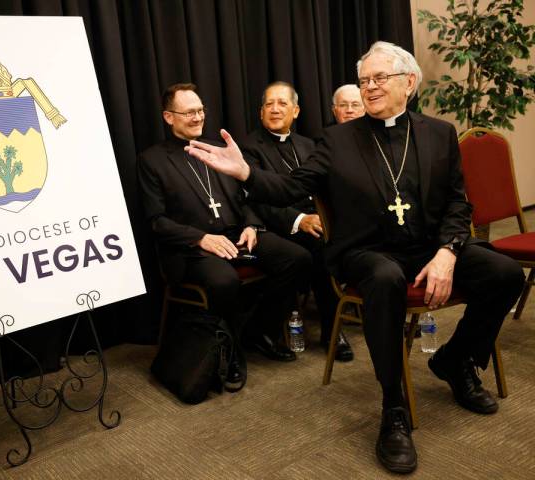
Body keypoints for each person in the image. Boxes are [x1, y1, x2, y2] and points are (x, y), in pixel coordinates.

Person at [185, 43, 524, 473]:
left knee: (505, 272)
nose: (370, 87)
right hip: (366, 252)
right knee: (385, 279)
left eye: (380, 78)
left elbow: (459, 205)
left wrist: (447, 251)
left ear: (409, 83)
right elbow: (292, 188)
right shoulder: (337, 139)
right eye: (365, 80)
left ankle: (455, 360)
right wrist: (246, 173)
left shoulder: (439, 133)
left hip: (427, 246)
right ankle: (393, 407)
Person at [138, 83, 312, 388]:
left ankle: (260, 330)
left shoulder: (218, 150)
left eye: (200, 110)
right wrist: (199, 238)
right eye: (188, 112)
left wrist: (251, 225)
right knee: (224, 280)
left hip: (236, 234)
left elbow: (245, 198)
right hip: (193, 248)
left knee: (297, 258)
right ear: (168, 117)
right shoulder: (152, 160)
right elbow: (155, 221)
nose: (197, 117)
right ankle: (230, 354)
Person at [241, 81, 353, 362]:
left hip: (314, 222)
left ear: (296, 110)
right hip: (275, 225)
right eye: (269, 104)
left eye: (282, 104)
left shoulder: (308, 145)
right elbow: (255, 200)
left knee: (345, 236)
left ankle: (350, 318)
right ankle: (331, 329)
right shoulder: (249, 148)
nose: (275, 109)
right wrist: (300, 219)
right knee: (322, 246)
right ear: (261, 112)